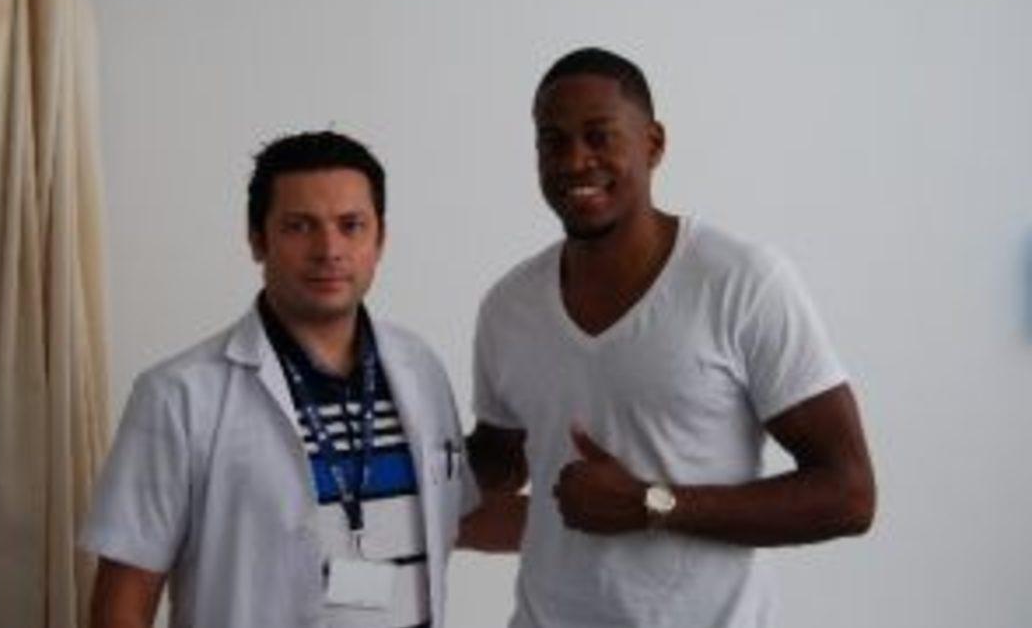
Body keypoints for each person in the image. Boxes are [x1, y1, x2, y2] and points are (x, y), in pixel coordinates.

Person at [464, 47, 876, 627]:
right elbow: (499, 462)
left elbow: (849, 494)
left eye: (599, 136)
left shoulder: (741, 282)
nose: (575, 161)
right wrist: (385, 467)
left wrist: (652, 504)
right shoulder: (509, 306)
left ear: (653, 144)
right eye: (553, 142)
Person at [83, 131, 476, 628]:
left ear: (380, 239)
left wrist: (569, 524)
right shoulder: (178, 396)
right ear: (257, 239)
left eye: (351, 225)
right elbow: (123, 603)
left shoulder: (420, 368)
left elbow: (454, 512)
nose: (329, 249)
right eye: (299, 226)